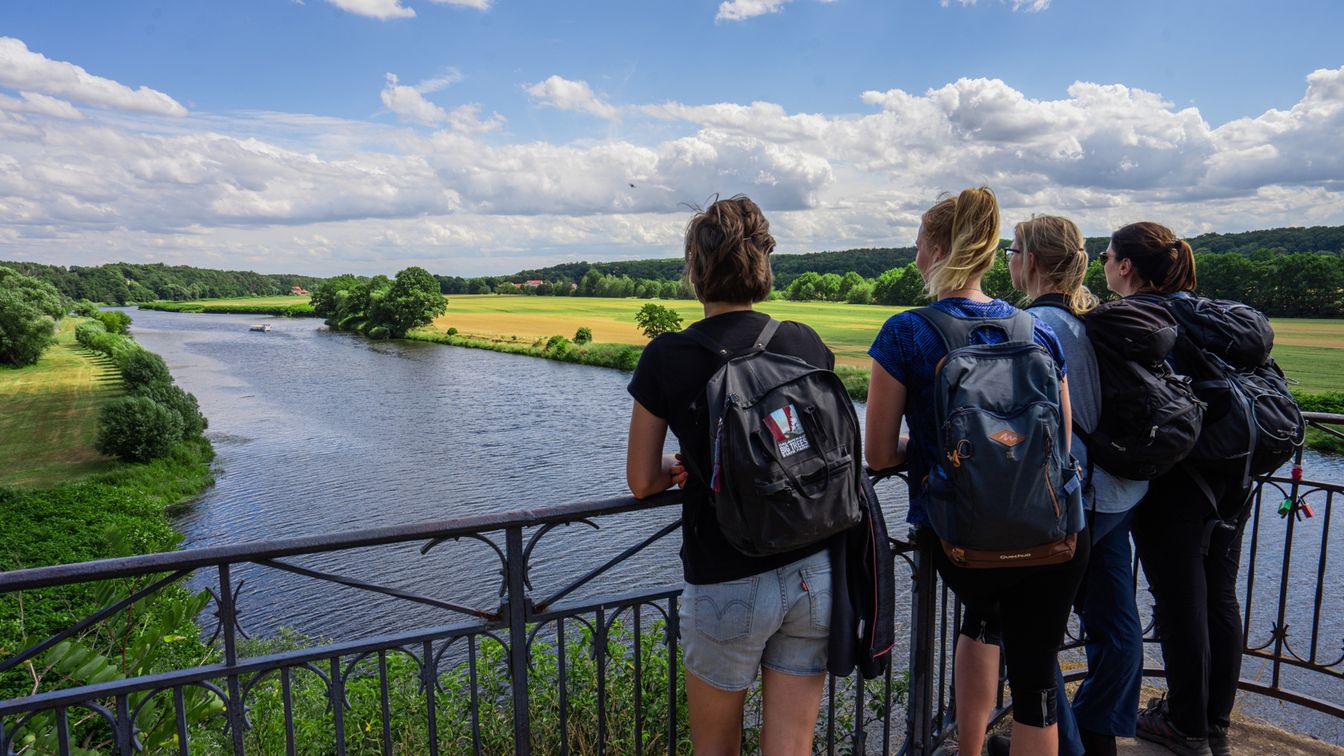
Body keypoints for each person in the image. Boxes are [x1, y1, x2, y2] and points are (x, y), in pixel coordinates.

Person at [866, 187, 1089, 756]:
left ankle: (966, 750)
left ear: (938, 248)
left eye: (918, 242)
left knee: (982, 621)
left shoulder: (907, 331)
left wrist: (941, 448)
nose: (915, 253)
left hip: (965, 538)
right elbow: (1059, 443)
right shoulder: (1033, 329)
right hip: (1052, 534)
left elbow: (878, 453)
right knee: (1038, 677)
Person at [625, 195, 836, 756]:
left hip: (724, 577)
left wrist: (685, 467)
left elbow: (641, 479)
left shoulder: (667, 356)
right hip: (813, 568)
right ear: (762, 263)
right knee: (790, 747)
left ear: (696, 269)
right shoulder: (804, 342)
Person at [1010, 216, 1148, 756]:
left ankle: (1066, 746)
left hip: (1073, 500)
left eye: (1013, 250)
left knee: (1034, 636)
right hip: (1121, 493)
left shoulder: (1032, 326)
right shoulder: (1096, 317)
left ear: (1035, 262)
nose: (1009, 261)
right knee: (1116, 623)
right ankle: (1102, 729)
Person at [1105, 222, 1241, 756]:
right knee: (1218, 596)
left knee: (1180, 601)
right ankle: (1214, 723)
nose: (1104, 263)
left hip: (1179, 480)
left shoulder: (1144, 317)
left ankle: (1185, 726)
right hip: (1232, 472)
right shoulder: (1206, 314)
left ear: (1127, 267)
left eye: (1107, 255)